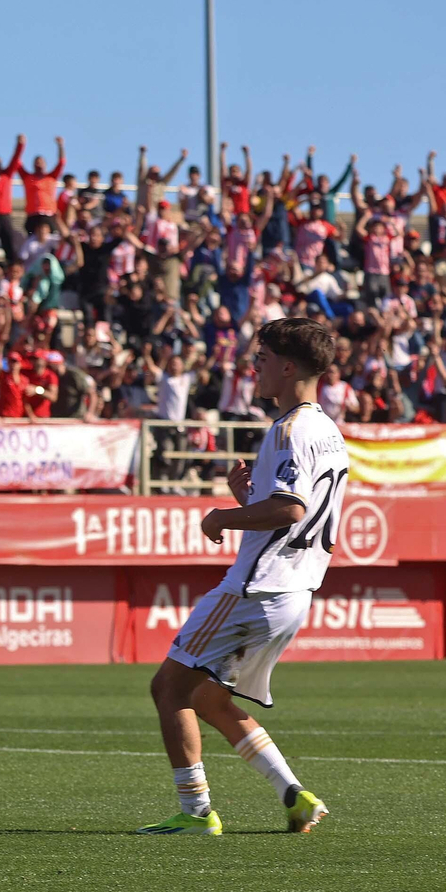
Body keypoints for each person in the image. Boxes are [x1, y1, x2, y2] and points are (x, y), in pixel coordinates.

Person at [137, 318, 345, 837]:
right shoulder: (328, 430)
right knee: (206, 696)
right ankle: (294, 797)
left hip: (257, 588)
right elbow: (289, 508)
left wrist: (222, 517)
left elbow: (291, 510)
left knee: (168, 687)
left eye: (262, 358)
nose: (253, 367)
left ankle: (194, 812)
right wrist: (247, 500)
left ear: (288, 366)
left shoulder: (290, 429)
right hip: (296, 590)